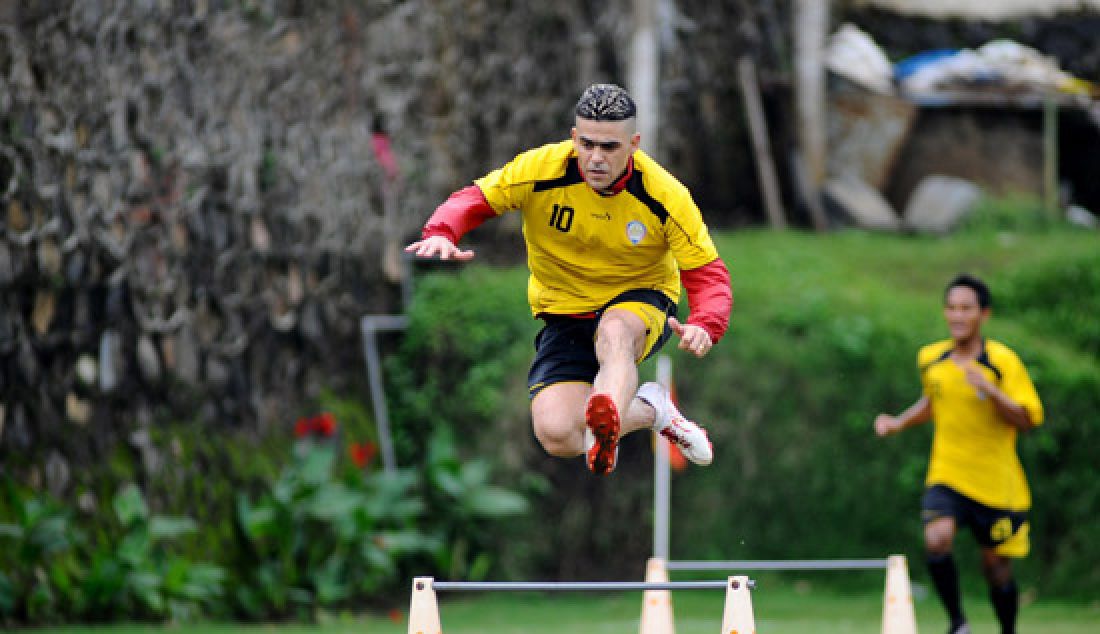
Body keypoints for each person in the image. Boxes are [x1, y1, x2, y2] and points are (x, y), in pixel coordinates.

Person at [406, 83, 732, 476]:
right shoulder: (540, 170)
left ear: (634, 143)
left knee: (614, 333)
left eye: (609, 148)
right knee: (557, 434)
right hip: (564, 311)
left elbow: (707, 273)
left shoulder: (665, 194)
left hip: (640, 299)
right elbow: (476, 199)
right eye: (587, 144)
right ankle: (651, 410)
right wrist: (441, 231)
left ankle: (608, 418)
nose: (596, 158)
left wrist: (705, 323)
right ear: (574, 137)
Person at [874, 273, 1043, 634]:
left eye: (966, 308)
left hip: (997, 484)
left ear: (984, 314)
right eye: (951, 308)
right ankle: (958, 624)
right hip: (948, 473)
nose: (957, 315)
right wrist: (898, 422)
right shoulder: (931, 358)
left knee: (996, 569)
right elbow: (934, 401)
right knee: (936, 538)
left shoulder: (1002, 361)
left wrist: (992, 391)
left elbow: (1028, 419)